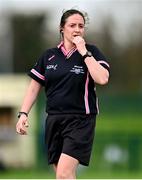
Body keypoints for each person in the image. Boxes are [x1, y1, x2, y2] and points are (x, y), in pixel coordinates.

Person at [16, 9, 110, 179]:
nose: (77, 29)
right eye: (72, 25)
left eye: (81, 26)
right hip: (53, 120)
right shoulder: (49, 56)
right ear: (62, 28)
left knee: (64, 174)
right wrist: (23, 113)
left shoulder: (91, 51)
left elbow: (102, 78)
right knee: (64, 175)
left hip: (81, 120)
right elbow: (33, 88)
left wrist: (84, 52)